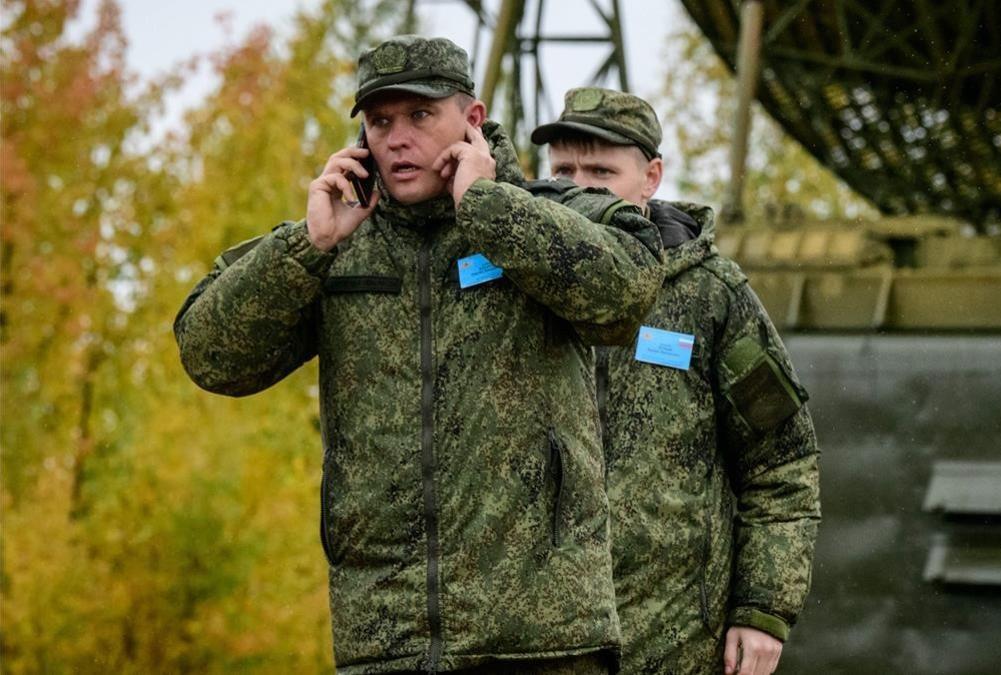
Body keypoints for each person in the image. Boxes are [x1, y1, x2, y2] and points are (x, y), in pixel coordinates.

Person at [175, 37, 666, 674]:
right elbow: (211, 357)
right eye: (381, 122)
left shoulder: (545, 215)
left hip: (541, 640)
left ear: (472, 119)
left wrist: (489, 207)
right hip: (386, 642)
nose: (398, 139)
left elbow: (625, 293)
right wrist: (308, 247)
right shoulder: (338, 242)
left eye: (420, 116)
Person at [532, 88, 821, 675]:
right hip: (536, 643)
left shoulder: (711, 296)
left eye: (602, 171)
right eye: (563, 169)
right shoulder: (514, 283)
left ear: (651, 178)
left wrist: (763, 608)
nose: (580, 186)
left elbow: (782, 465)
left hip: (675, 643)